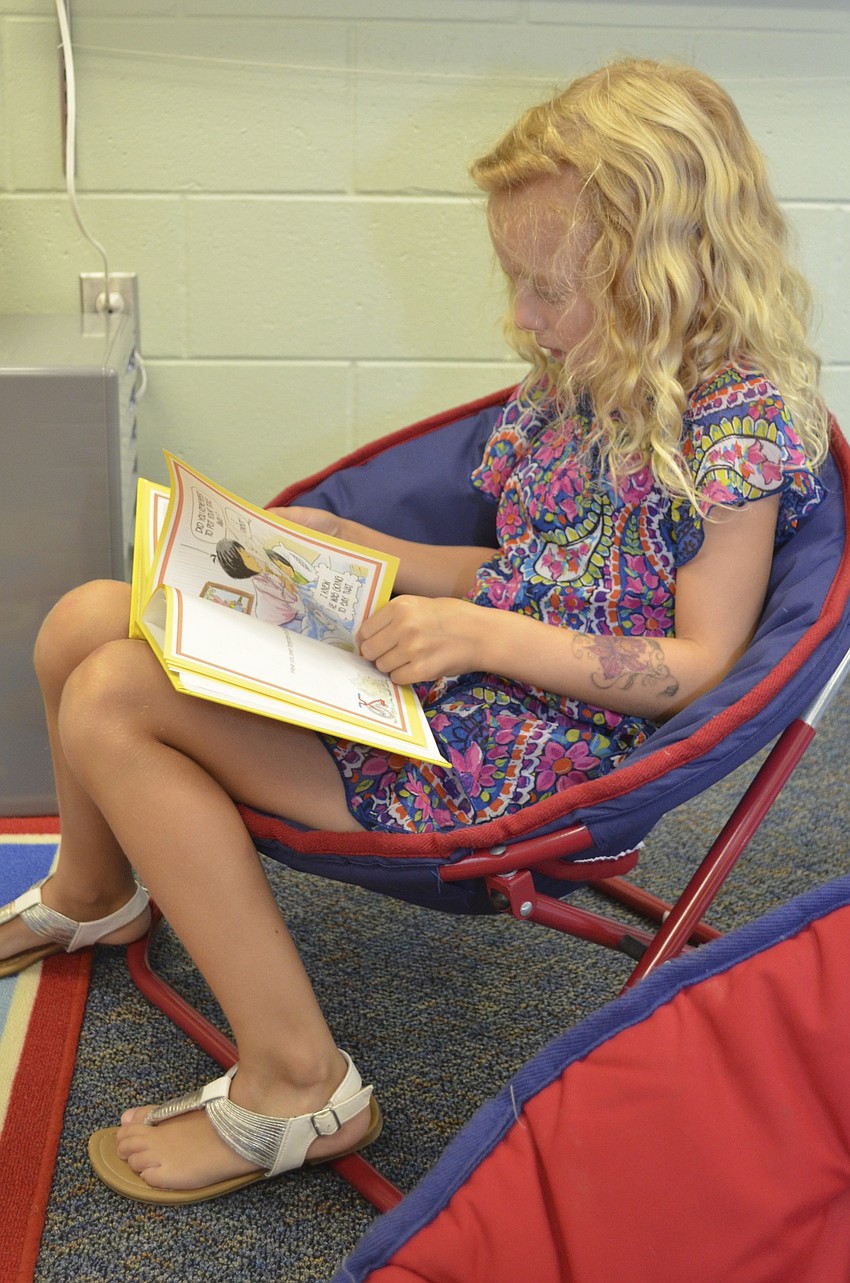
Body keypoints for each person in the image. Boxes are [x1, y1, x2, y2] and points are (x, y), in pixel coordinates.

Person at [0, 58, 830, 1203]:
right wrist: (344, 549)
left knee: (109, 695)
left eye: (546, 288)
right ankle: (98, 889)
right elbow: (514, 568)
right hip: (447, 668)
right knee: (87, 617)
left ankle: (302, 1080)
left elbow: (692, 667)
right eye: (515, 282)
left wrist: (477, 637)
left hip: (509, 759)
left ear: (668, 270)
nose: (520, 317)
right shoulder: (582, 376)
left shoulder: (734, 435)